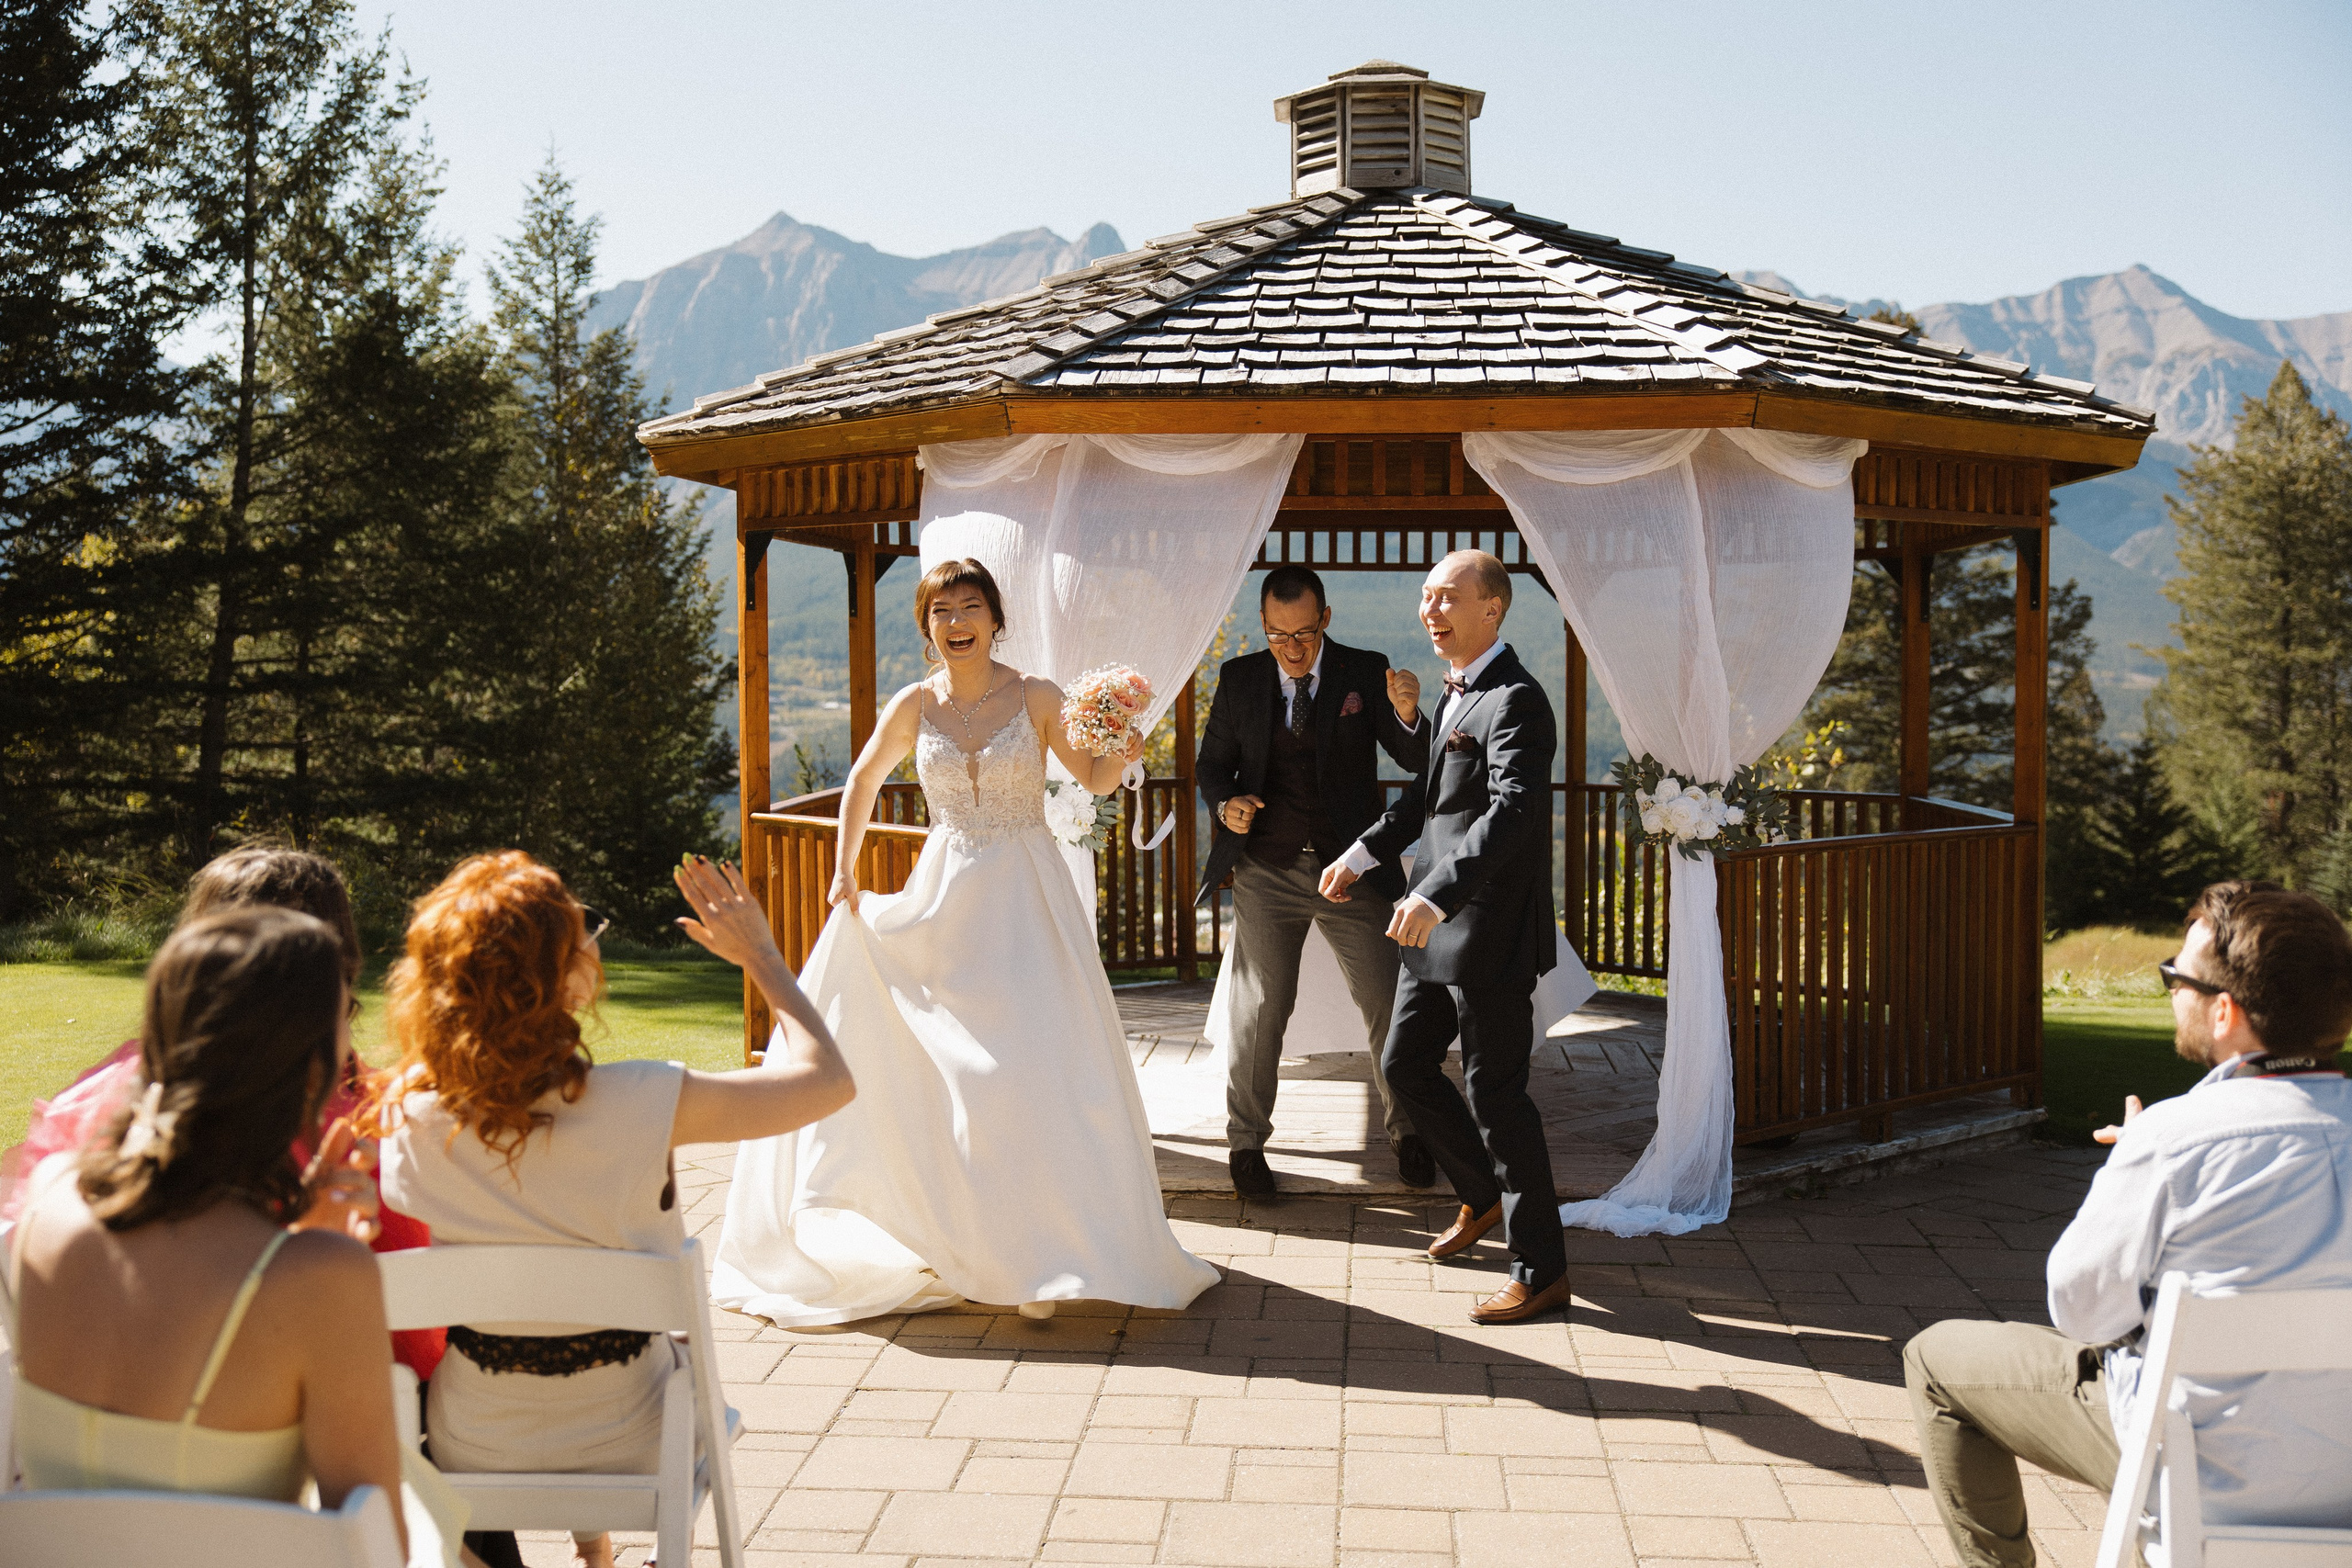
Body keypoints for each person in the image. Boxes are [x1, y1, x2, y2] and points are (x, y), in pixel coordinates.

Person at [713, 557, 1221, 1326]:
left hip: (1025, 897)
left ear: (995, 618)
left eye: (970, 606)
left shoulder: (1038, 695)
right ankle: (967, 1239)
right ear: (926, 626)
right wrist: (844, 872)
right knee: (957, 1079)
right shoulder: (915, 704)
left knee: (1023, 1073)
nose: (956, 620)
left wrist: (1123, 746)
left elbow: (1091, 778)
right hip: (944, 898)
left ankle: (1040, 1261)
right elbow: (862, 779)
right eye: (941, 609)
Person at [368, 850, 852, 1568]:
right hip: (635, 1437)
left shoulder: (407, 1118)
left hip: (473, 1435)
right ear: (567, 978)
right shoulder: (646, 1099)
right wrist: (764, 958)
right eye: (581, 931)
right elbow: (827, 1081)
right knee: (662, 1356)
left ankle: (595, 1555)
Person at [6, 907, 477, 1568]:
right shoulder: (320, 1275)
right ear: (310, 1067)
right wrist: (313, 1258)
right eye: (346, 1015)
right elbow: (378, 1546)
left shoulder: (49, 1197)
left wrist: (295, 1242)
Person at [1904, 881, 2352, 1567]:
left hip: (2201, 1483)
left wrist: (2137, 1166)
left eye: (2177, 975)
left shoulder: (2174, 1140)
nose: (2171, 986)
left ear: (2225, 1010)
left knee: (1935, 1358)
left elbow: (2081, 1312)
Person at [0, 841, 446, 1383]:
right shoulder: (377, 1126)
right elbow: (413, 1355)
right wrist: (311, 1257)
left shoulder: (90, 1125)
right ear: (334, 980)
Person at [1319, 549, 1568, 1325]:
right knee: (1404, 1066)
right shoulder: (1458, 695)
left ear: (1492, 608)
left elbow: (1512, 812)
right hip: (1430, 924)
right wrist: (1360, 855)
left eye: (1448, 597)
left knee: (1499, 1097)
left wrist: (1435, 893)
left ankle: (1542, 1270)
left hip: (1487, 927)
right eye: (1426, 597)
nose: (1431, 610)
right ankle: (1480, 1195)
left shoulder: (1517, 699)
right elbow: (1427, 808)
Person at [1195, 563, 1431, 1199]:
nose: (1292, 648)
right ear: (1264, 626)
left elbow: (1417, 759)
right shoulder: (1239, 679)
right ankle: (1246, 1145)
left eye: (1303, 633)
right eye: (1277, 634)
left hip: (1351, 866)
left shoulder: (1363, 671)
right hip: (1267, 869)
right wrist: (1227, 805)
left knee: (1388, 1001)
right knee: (1260, 1009)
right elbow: (1212, 765)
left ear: (1325, 620)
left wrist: (1409, 715)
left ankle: (1410, 1131)